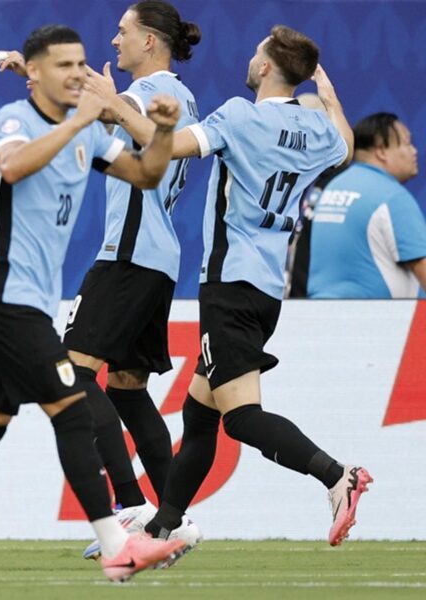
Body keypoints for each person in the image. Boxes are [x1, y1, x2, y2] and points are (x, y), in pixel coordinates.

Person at [0, 24, 186, 586]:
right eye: (64, 65)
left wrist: (163, 133)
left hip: (26, 300)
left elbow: (147, 175)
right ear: (33, 73)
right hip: (4, 298)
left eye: (81, 64)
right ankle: (117, 545)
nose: (79, 73)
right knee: (72, 408)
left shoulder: (86, 133)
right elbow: (12, 166)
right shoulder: (16, 120)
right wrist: (81, 120)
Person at [139, 26, 372, 550]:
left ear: (266, 67)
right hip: (265, 290)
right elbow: (345, 149)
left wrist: (124, 113)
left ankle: (338, 475)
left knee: (241, 418)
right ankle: (162, 529)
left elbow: (172, 148)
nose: (249, 59)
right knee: (200, 416)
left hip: (228, 285)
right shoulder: (315, 128)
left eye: (256, 54)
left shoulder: (237, 116)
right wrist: (332, 103)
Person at [0, 0, 204, 558]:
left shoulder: (143, 96)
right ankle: (174, 518)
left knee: (70, 372)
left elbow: (96, 107)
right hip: (158, 259)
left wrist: (32, 68)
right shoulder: (179, 97)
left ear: (151, 41)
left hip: (126, 256)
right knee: (127, 391)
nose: (114, 41)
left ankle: (130, 504)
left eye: (123, 31)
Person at [307, 113, 425, 297]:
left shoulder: (333, 187)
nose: (414, 151)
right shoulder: (392, 196)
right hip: (378, 321)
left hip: (318, 314)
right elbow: (422, 266)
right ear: (381, 151)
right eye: (407, 142)